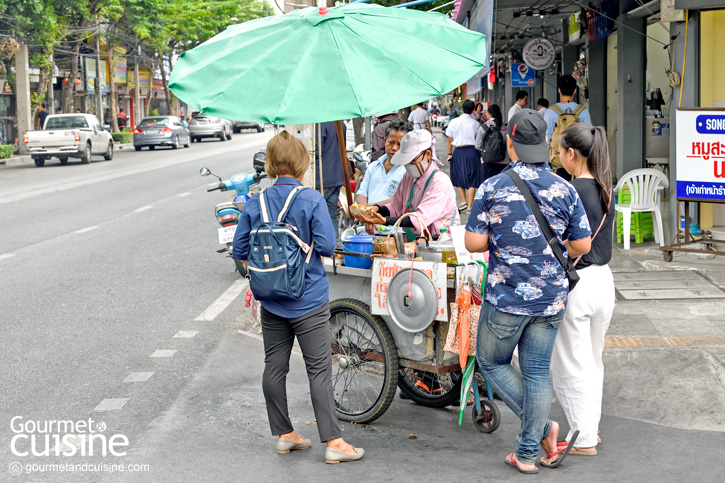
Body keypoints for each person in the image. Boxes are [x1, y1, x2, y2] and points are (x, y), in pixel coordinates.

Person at [464, 109, 592, 474]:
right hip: (551, 299)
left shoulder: (492, 187)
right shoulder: (565, 187)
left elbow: (474, 243)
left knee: (491, 362)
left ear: (511, 142)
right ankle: (526, 452)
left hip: (506, 299)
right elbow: (581, 244)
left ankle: (540, 434)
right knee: (537, 371)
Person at [232, 131, 363, 464]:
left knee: (274, 366)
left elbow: (240, 250)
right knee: (318, 369)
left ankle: (285, 435)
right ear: (303, 163)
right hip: (308, 300)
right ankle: (334, 442)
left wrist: (269, 274)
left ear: (272, 164)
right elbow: (325, 245)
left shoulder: (255, 201)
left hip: (271, 300)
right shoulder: (311, 199)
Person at [551, 124, 615, 457]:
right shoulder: (606, 186)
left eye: (560, 151)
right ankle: (591, 428)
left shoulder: (570, 190)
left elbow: (573, 243)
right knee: (592, 361)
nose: (559, 157)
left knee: (570, 363)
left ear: (571, 154)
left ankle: (584, 438)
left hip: (578, 283)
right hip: (604, 282)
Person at [354, 129, 459, 240]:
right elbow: (395, 206)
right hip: (419, 241)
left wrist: (385, 221)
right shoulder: (408, 178)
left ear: (427, 154)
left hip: (442, 242)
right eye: (406, 161)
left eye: (412, 160)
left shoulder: (439, 182)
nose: (409, 165)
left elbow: (420, 218)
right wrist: (377, 209)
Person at [544, 75, 591, 180]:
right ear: (575, 91)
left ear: (559, 90)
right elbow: (589, 138)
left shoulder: (550, 112)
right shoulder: (583, 111)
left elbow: (547, 138)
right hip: (578, 163)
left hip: (556, 162)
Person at [356, 119, 408, 206]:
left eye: (399, 144)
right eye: (391, 142)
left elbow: (400, 199)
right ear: (385, 141)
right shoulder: (373, 166)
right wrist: (364, 210)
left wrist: (373, 208)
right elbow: (362, 193)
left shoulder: (408, 171)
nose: (394, 148)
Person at [446, 99, 482, 212]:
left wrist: (449, 154)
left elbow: (449, 140)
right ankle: (470, 206)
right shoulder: (475, 123)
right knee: (472, 178)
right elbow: (478, 139)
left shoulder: (454, 122)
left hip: (458, 151)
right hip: (472, 151)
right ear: (473, 110)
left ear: (461, 109)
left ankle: (463, 202)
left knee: (458, 175)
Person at [314, 121, 346, 239]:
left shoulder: (320, 124)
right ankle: (335, 245)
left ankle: (325, 248)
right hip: (336, 177)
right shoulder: (340, 123)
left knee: (317, 216)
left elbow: (316, 151)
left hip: (323, 179)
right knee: (331, 215)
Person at [474, 104, 507, 180]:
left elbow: (477, 146)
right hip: (504, 162)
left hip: (488, 162)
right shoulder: (505, 127)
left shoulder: (484, 127)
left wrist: (485, 151)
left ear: (490, 114)